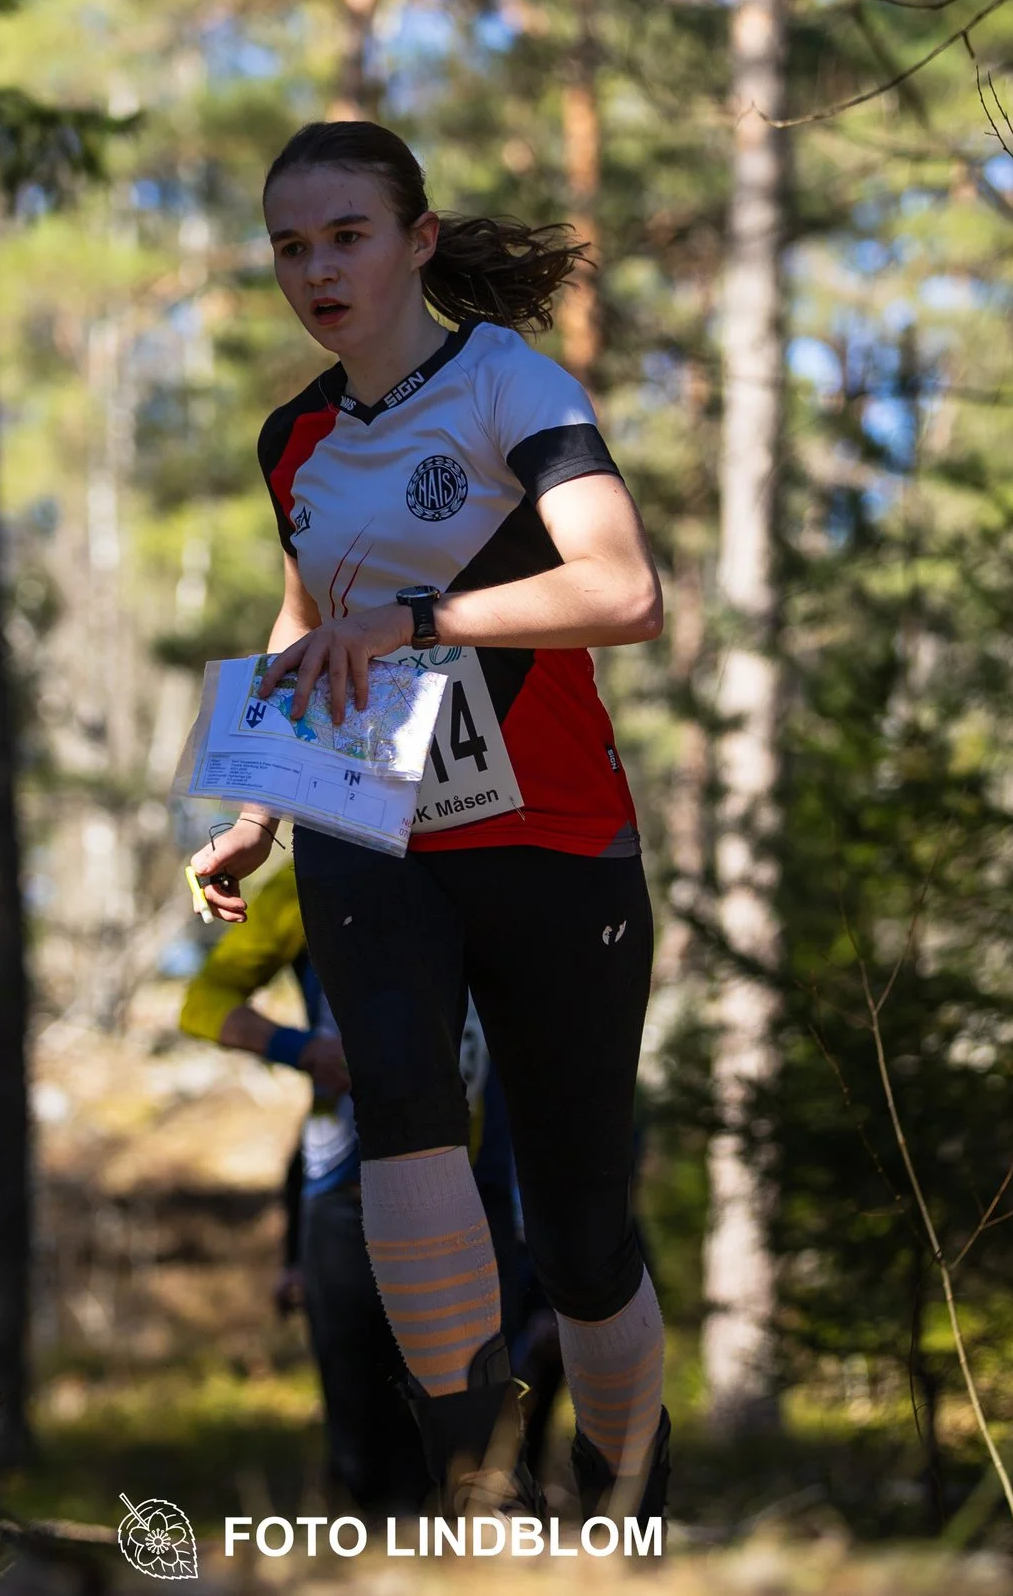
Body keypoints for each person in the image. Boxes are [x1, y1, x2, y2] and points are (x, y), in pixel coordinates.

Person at [188, 120, 669, 1529]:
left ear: (417, 240)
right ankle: (477, 1486)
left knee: (580, 1236)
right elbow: (304, 618)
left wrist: (423, 617)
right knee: (398, 1096)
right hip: (370, 821)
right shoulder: (295, 437)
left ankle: (627, 1495)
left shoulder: (508, 384)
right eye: (291, 245)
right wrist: (257, 800)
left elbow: (625, 590)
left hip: (555, 837)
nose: (317, 269)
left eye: (345, 236)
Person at [176, 862, 555, 1514]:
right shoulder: (308, 881)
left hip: (472, 1193)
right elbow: (203, 1003)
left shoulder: (489, 865)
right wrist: (305, 1049)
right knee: (364, 1444)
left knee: (471, 1442)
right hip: (345, 1192)